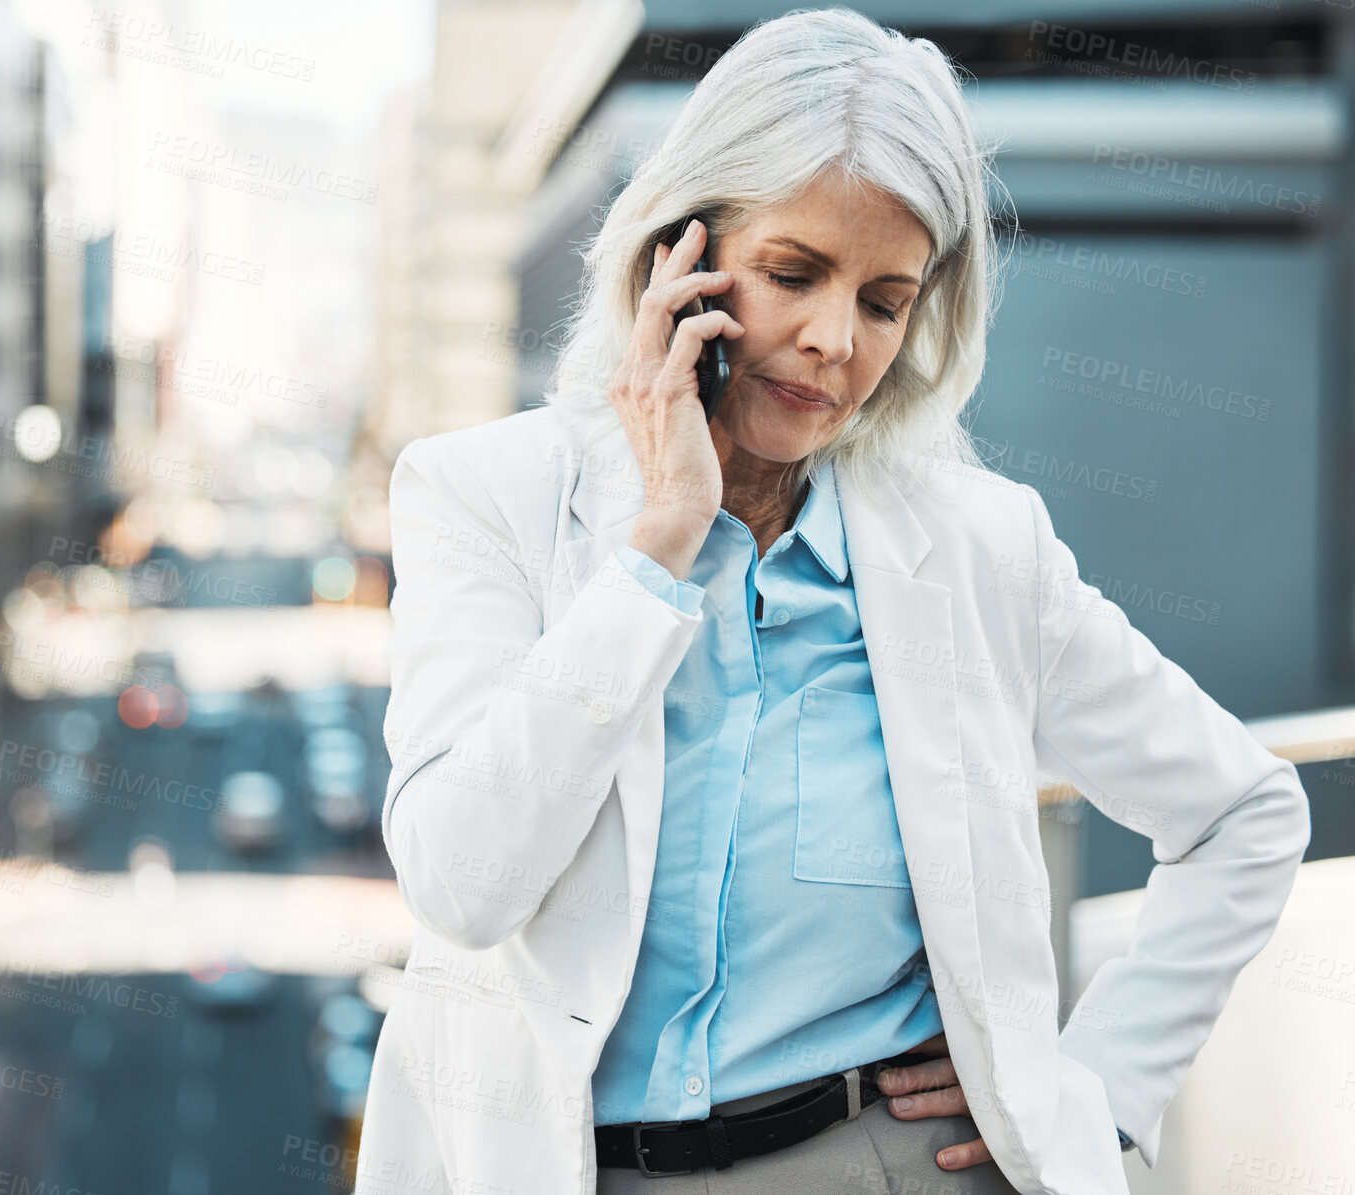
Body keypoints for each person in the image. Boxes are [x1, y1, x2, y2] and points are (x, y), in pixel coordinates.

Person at [354, 8, 1311, 1194]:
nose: (831, 342)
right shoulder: (481, 494)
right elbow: (462, 882)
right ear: (675, 261)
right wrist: (653, 555)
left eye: (883, 299)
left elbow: (1243, 813)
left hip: (886, 1162)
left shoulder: (977, 547)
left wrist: (1087, 1088)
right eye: (792, 274)